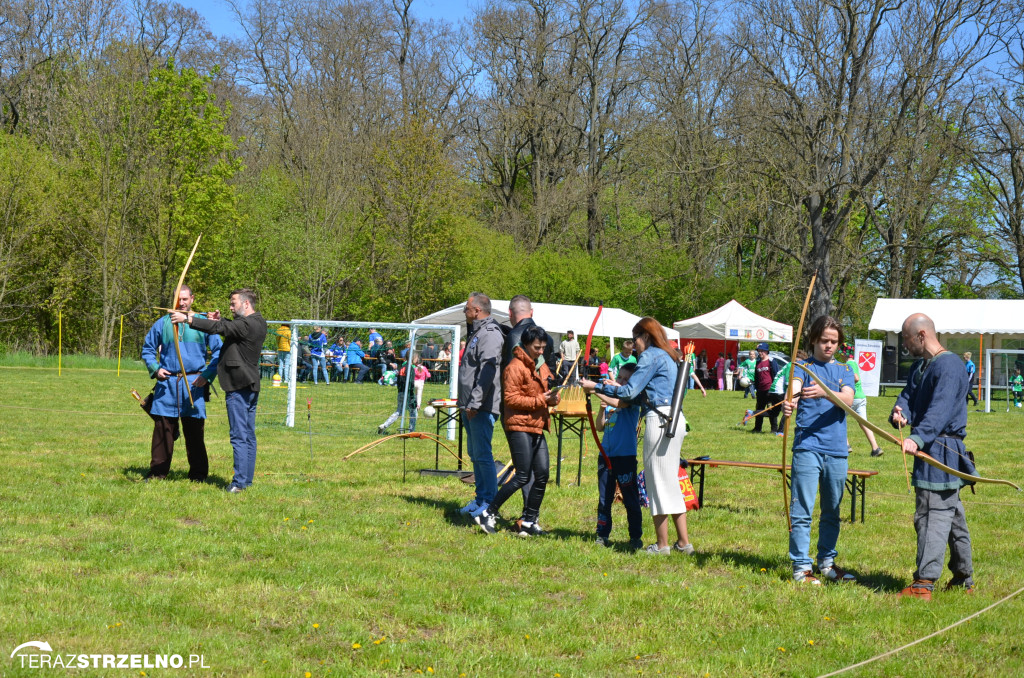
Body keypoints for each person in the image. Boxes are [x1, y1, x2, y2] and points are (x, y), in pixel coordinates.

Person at [581, 317, 694, 556]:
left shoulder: (651, 355)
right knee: (669, 481)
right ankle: (683, 542)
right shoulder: (670, 355)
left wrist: (597, 387)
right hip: (673, 418)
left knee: (656, 484)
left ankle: (662, 545)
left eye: (635, 340)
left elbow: (630, 392)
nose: (633, 346)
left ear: (645, 336)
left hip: (660, 420)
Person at [891, 313, 976, 599]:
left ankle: (923, 583)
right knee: (952, 516)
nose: (904, 344)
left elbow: (939, 410)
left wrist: (916, 437)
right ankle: (964, 577)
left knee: (931, 515)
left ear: (922, 335)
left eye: (906, 338)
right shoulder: (920, 366)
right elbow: (908, 397)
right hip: (930, 449)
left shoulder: (950, 365)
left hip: (941, 452)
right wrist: (899, 413)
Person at [781, 316, 856, 584]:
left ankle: (826, 563)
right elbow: (795, 389)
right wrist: (789, 403)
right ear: (813, 339)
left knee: (832, 510)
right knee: (802, 509)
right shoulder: (801, 367)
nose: (829, 346)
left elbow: (848, 399)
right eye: (824, 340)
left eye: (834, 342)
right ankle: (801, 567)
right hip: (808, 447)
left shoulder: (845, 370)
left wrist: (825, 392)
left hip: (836, 450)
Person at [172, 288, 268, 493]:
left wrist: (188, 319)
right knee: (248, 435)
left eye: (234, 304)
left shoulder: (247, 324)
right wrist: (219, 319)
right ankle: (246, 480)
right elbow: (228, 327)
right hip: (249, 384)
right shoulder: (257, 321)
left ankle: (240, 483)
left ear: (246, 304)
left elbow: (223, 329)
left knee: (239, 435)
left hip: (239, 386)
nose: (231, 307)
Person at [482, 325, 560, 535]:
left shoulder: (541, 366)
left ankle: (529, 520)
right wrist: (540, 400)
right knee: (522, 476)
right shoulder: (514, 367)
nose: (541, 351)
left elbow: (548, 390)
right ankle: (488, 512)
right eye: (537, 347)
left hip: (537, 426)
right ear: (525, 344)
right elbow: (510, 399)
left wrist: (554, 396)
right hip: (518, 425)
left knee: (542, 474)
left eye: (543, 347)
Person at [141, 285, 222, 481]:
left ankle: (198, 475)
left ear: (192, 299)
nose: (182, 303)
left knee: (194, 432)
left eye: (185, 299)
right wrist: (155, 368)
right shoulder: (162, 323)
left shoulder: (203, 323)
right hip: (167, 384)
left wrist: (207, 375)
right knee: (163, 431)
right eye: (179, 299)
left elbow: (220, 353)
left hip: (194, 384)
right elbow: (148, 349)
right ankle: (157, 473)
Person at [457, 293, 506, 524]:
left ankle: (489, 502)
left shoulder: (490, 334)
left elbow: (488, 371)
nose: (464, 312)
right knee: (474, 454)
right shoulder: (477, 331)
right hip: (469, 405)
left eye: (466, 309)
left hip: (481, 406)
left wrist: (475, 402)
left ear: (477, 310)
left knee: (483, 455)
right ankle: (480, 498)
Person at [594, 362, 644, 551]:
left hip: (625, 456)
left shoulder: (631, 399)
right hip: (606, 456)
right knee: (604, 498)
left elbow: (619, 402)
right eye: (620, 377)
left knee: (630, 498)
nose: (621, 381)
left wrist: (597, 390)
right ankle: (602, 534)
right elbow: (599, 426)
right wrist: (601, 408)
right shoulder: (610, 401)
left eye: (626, 380)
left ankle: (635, 536)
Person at [838, 343, 882, 456]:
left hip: (852, 397)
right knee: (864, 423)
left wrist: (841, 382)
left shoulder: (847, 364)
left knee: (837, 419)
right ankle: (875, 448)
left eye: (841, 354)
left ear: (844, 354)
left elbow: (856, 378)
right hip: (861, 397)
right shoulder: (854, 363)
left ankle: (846, 445)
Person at [378, 355, 420, 434]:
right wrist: (412, 397)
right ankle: (411, 431)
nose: (417, 359)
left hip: (401, 392)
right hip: (408, 393)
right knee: (413, 412)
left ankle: (384, 425)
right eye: (417, 358)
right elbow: (410, 382)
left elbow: (399, 381)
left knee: (398, 412)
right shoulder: (410, 368)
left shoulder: (402, 367)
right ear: (413, 358)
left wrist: (400, 391)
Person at [751, 343, 780, 434]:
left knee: (771, 409)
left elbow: (776, 375)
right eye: (759, 351)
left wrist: (775, 389)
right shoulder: (758, 362)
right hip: (760, 390)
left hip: (770, 390)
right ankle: (757, 428)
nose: (760, 353)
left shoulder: (772, 361)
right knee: (759, 408)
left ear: (767, 351)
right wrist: (756, 387)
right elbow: (756, 376)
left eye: (762, 351)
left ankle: (774, 429)